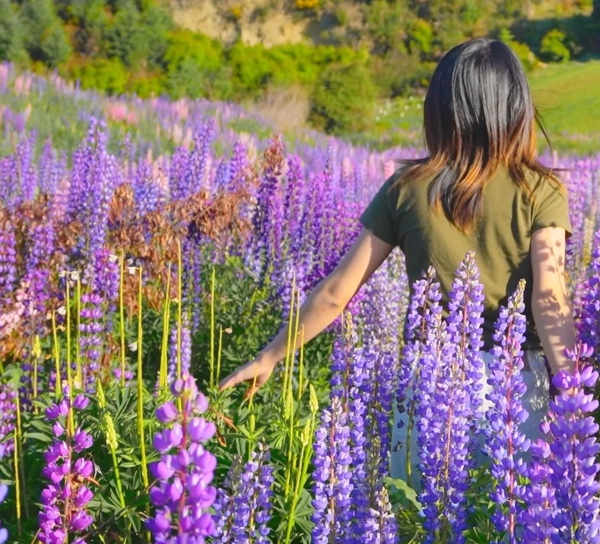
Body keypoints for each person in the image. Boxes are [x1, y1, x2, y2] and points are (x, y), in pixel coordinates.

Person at [218, 37, 576, 398]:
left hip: (430, 380)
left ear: (440, 111)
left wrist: (271, 355)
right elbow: (549, 298)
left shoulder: (406, 188)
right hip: (515, 379)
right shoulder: (541, 190)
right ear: (517, 108)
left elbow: (334, 294)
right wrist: (572, 389)